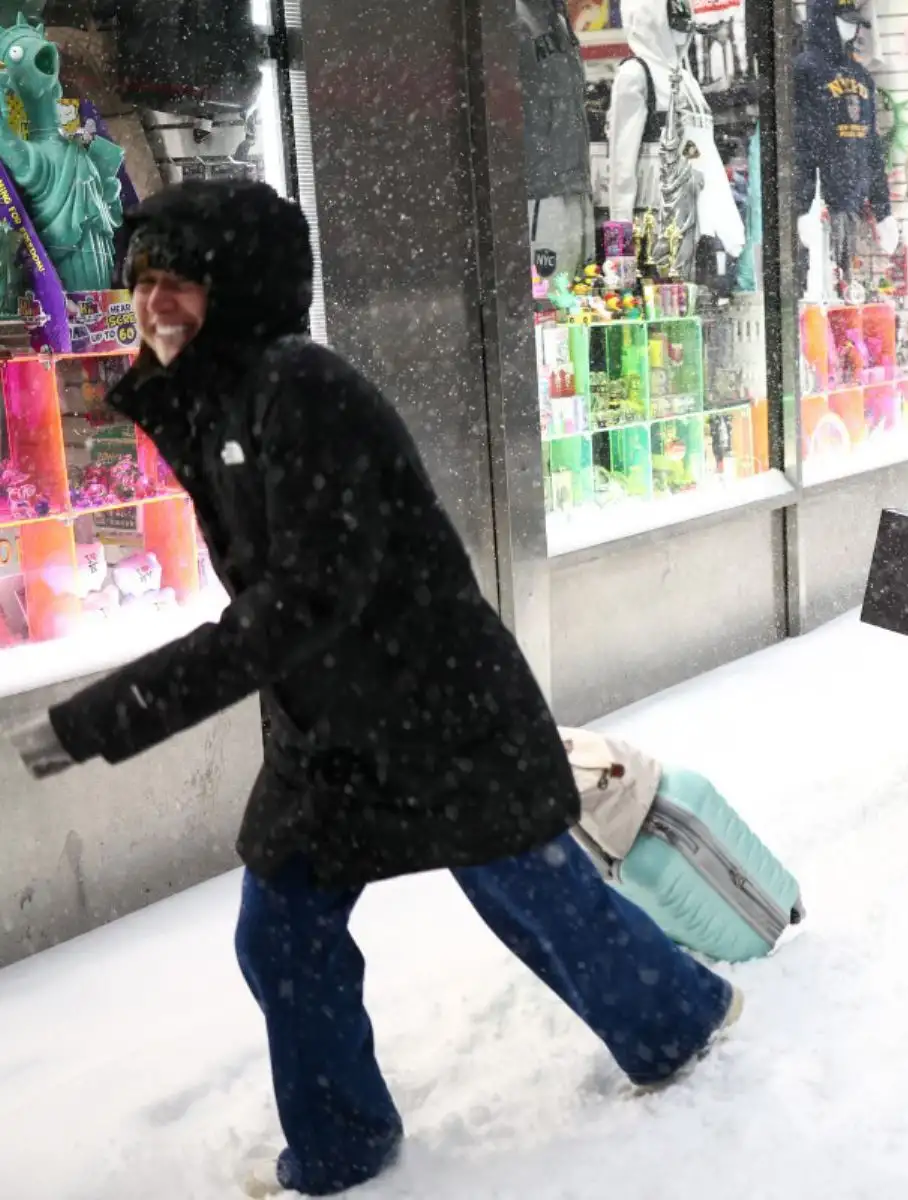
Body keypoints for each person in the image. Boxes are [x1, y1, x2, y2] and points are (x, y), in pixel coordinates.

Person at [2, 180, 740, 1198]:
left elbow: (302, 598)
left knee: (535, 898)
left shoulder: (300, 390)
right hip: (328, 733)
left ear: (241, 287)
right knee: (284, 935)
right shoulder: (214, 395)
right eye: (142, 285)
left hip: (435, 708)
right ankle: (343, 1147)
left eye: (179, 284)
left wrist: (109, 714)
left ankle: (680, 1021)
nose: (152, 306)